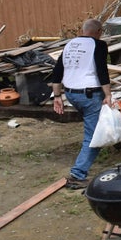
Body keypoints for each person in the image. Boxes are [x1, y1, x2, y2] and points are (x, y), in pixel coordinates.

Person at [47, 18, 112, 189]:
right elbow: (102, 70)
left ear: (83, 31)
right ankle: (78, 174)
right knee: (94, 136)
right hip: (89, 94)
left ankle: (114, 145)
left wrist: (57, 96)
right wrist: (108, 94)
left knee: (95, 126)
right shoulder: (98, 45)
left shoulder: (70, 45)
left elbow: (57, 71)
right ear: (98, 32)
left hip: (71, 93)